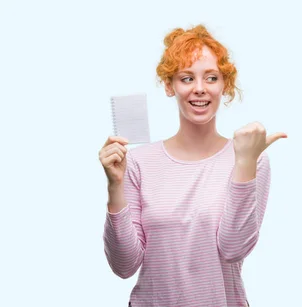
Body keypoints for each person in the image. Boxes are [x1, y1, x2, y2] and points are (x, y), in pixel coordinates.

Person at [98, 24, 286, 307]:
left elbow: (234, 249)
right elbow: (124, 266)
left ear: (225, 85)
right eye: (187, 78)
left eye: (211, 77)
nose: (199, 89)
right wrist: (114, 188)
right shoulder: (137, 162)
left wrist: (245, 163)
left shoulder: (251, 158)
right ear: (169, 85)